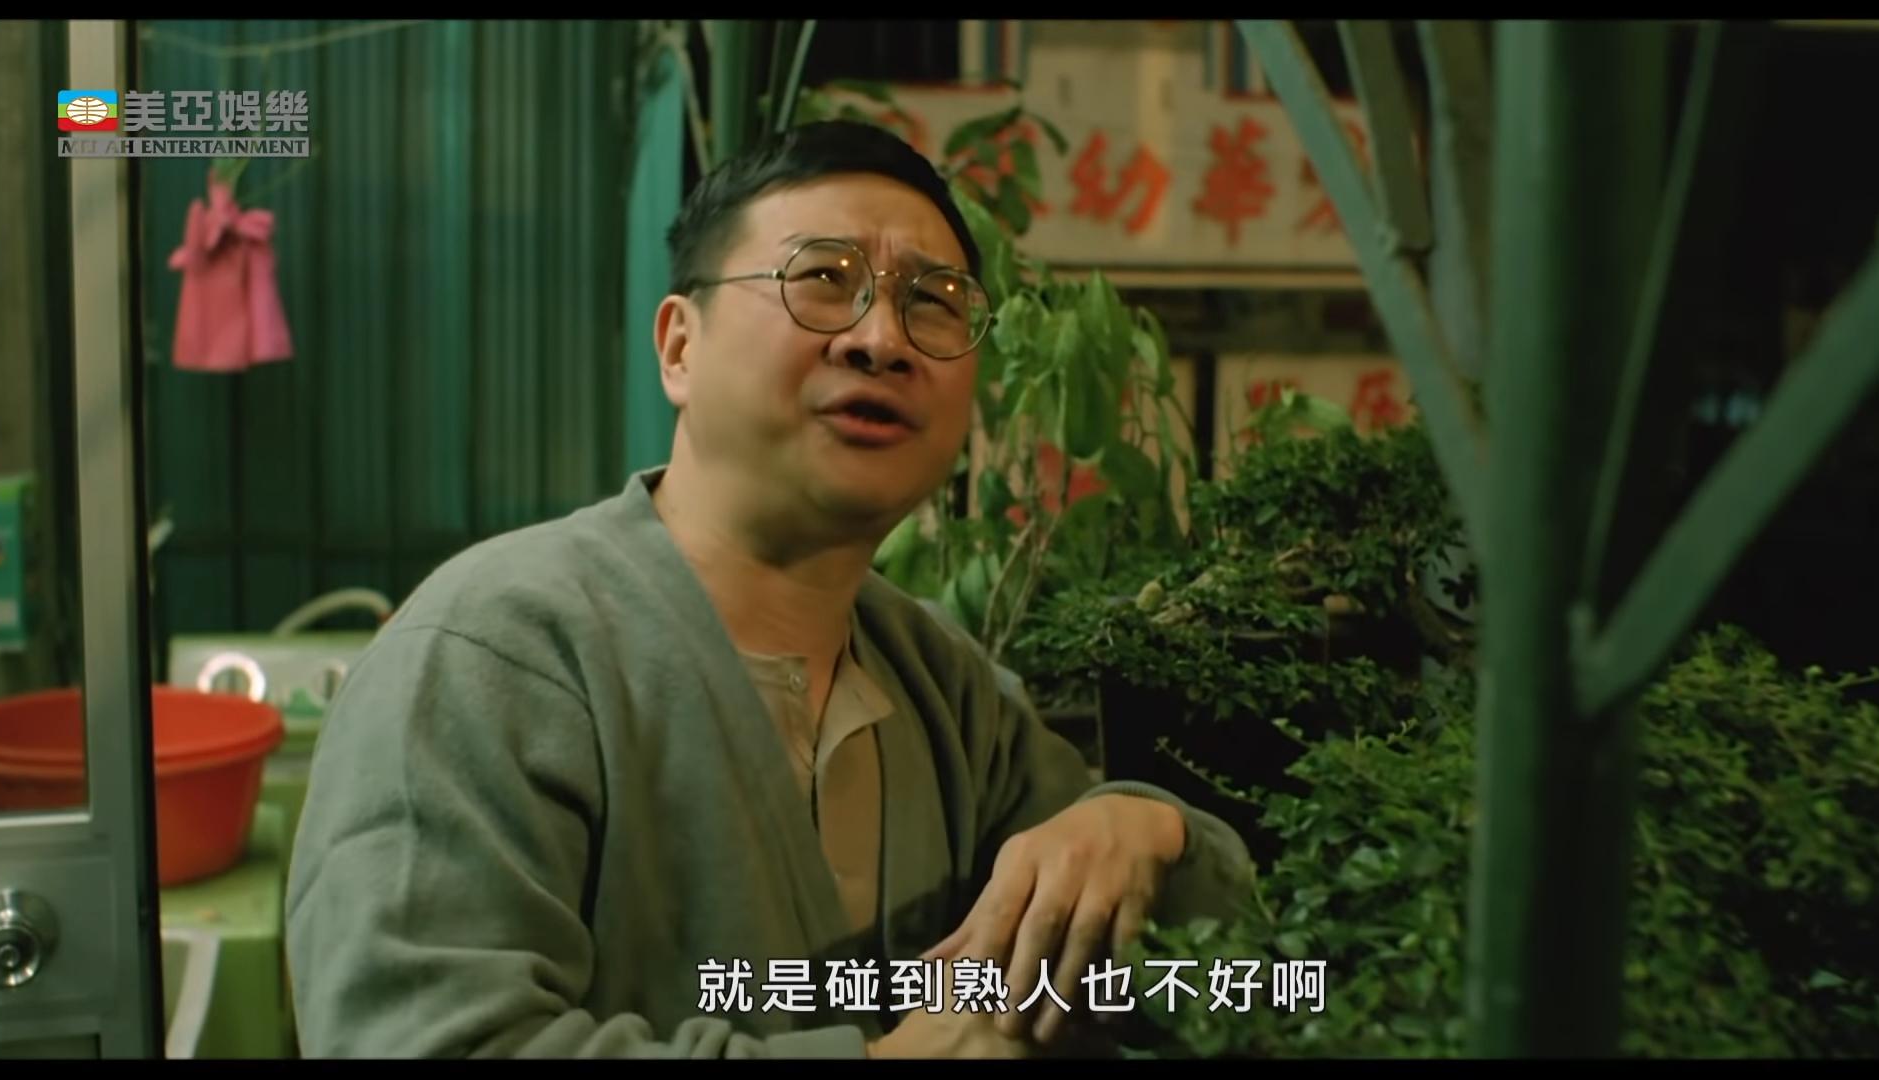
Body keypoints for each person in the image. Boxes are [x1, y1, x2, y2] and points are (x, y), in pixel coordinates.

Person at [284, 119, 1255, 1059]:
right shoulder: (496, 656)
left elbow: (1220, 980)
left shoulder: (944, 691)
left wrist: (1147, 829)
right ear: (680, 347)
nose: (883, 338)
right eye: (823, 280)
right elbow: (420, 1039)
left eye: (934, 302)